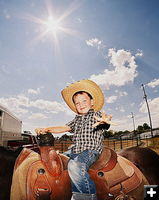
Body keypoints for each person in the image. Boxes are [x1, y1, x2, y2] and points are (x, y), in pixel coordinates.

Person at [35, 79, 112, 200]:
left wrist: (105, 122)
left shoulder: (96, 115)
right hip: (75, 149)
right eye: (77, 103)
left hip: (90, 150)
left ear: (91, 102)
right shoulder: (76, 119)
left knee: (75, 166)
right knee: (56, 159)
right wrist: (47, 128)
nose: (81, 105)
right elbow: (64, 127)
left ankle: (86, 197)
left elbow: (104, 124)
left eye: (84, 101)